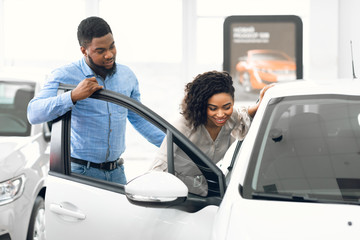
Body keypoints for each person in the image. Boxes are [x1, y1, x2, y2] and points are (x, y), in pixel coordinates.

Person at [27, 16, 165, 184]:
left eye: (112, 46)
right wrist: (72, 96)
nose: (109, 55)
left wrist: (175, 148)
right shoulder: (65, 75)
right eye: (100, 51)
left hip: (117, 173)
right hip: (80, 173)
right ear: (84, 51)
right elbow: (33, 113)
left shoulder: (127, 76)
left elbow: (140, 120)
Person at [150, 70, 273, 196]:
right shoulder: (183, 127)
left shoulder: (230, 119)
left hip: (204, 193)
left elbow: (244, 116)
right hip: (176, 196)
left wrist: (261, 103)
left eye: (227, 107)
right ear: (202, 106)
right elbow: (158, 169)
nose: (221, 115)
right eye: (213, 108)